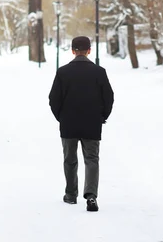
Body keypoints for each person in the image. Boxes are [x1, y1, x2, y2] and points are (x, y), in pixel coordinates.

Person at [48, 36, 114, 212]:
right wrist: (102, 116)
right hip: (92, 123)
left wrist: (61, 117)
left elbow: (53, 99)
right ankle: (91, 196)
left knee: (70, 159)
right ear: (89, 50)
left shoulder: (63, 72)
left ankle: (70, 195)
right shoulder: (99, 72)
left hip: (69, 123)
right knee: (91, 159)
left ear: (72, 51)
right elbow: (109, 98)